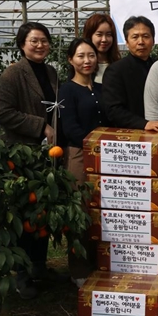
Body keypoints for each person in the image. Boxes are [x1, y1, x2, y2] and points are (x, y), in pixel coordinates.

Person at [0, 22, 64, 299]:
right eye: (33, 40)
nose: (40, 45)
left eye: (44, 40)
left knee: (42, 210)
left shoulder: (50, 72)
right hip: (21, 153)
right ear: (22, 44)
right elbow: (2, 112)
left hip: (46, 154)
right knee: (24, 214)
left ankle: (39, 266)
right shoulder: (13, 74)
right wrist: (40, 126)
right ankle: (21, 275)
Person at [58, 38, 105, 286]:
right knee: (80, 211)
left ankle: (100, 262)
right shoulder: (67, 90)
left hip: (104, 155)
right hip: (79, 154)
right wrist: (95, 144)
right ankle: (78, 269)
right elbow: (70, 128)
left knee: (100, 209)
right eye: (80, 56)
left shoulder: (100, 88)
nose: (87, 61)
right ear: (70, 60)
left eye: (91, 56)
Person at [101, 16, 158, 131]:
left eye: (146, 36)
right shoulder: (116, 70)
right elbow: (113, 110)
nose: (141, 42)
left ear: (153, 41)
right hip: (131, 135)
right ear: (126, 42)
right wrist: (143, 124)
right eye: (135, 37)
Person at [81, 13, 121, 84]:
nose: (104, 39)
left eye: (108, 35)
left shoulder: (119, 66)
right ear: (89, 36)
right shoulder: (82, 66)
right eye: (99, 34)